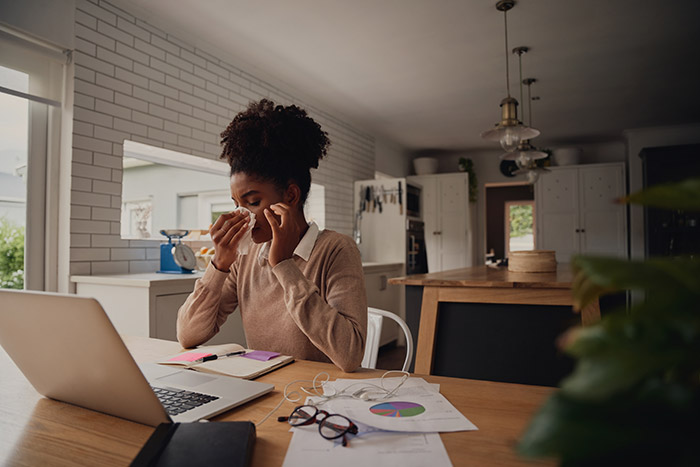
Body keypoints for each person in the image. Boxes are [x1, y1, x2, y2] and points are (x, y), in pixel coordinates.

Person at [177, 99, 367, 372]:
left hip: (323, 398)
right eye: (235, 204)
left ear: (290, 196)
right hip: (264, 392)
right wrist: (219, 264)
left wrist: (283, 265)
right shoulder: (246, 257)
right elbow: (188, 335)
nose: (242, 215)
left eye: (252, 202)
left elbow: (350, 355)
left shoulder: (336, 249)